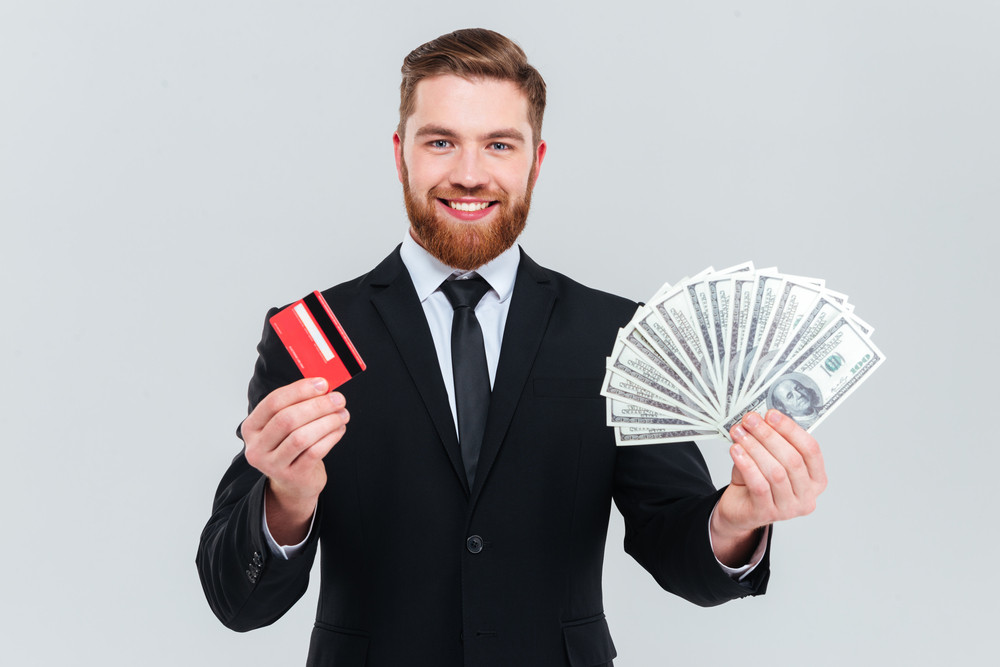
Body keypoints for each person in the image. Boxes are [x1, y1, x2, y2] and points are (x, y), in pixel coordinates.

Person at [197, 28, 827, 667]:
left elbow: (678, 544)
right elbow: (237, 601)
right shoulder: (311, 334)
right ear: (400, 155)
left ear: (536, 160)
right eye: (440, 142)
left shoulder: (617, 336)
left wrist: (736, 519)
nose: (469, 175)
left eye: (499, 145)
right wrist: (288, 500)